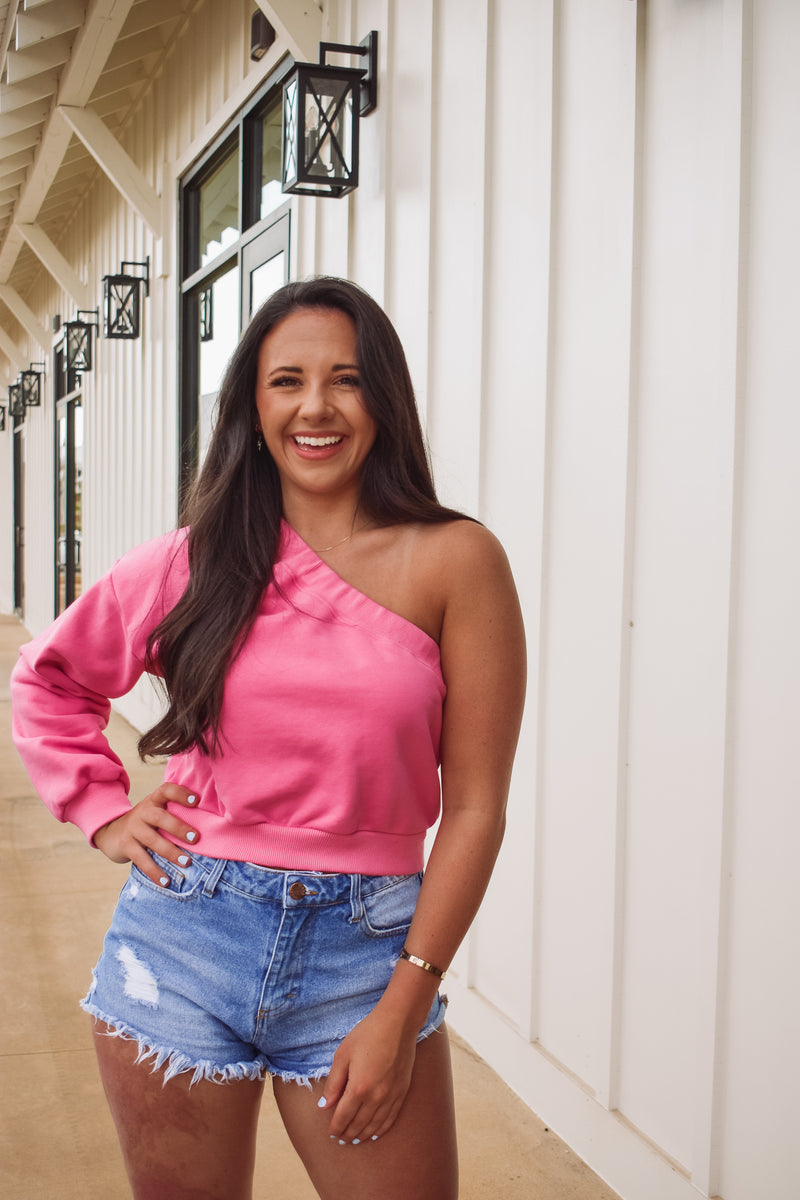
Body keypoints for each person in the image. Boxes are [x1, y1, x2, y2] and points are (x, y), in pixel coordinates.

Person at [11, 277, 526, 1200]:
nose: (316, 407)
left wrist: (405, 999)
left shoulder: (457, 561)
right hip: (180, 938)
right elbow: (50, 679)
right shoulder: (193, 559)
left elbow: (479, 807)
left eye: (347, 380)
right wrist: (100, 810)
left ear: (385, 400)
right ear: (253, 404)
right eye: (287, 380)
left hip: (366, 956)